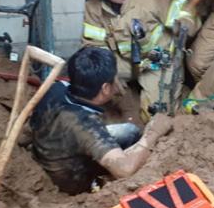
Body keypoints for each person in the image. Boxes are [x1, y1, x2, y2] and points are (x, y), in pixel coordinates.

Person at [30, 47, 173, 195]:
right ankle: (96, 182)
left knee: (130, 131)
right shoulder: (85, 125)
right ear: (105, 88)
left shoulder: (56, 88)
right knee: (133, 137)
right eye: (114, 78)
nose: (117, 81)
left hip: (51, 148)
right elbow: (124, 170)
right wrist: (154, 133)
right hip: (70, 178)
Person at [82, 0, 203, 121]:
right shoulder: (93, 8)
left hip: (158, 61)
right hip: (124, 62)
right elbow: (93, 46)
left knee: (154, 115)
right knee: (90, 81)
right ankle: (131, 92)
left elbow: (183, 10)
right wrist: (108, 74)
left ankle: (179, 93)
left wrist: (185, 22)